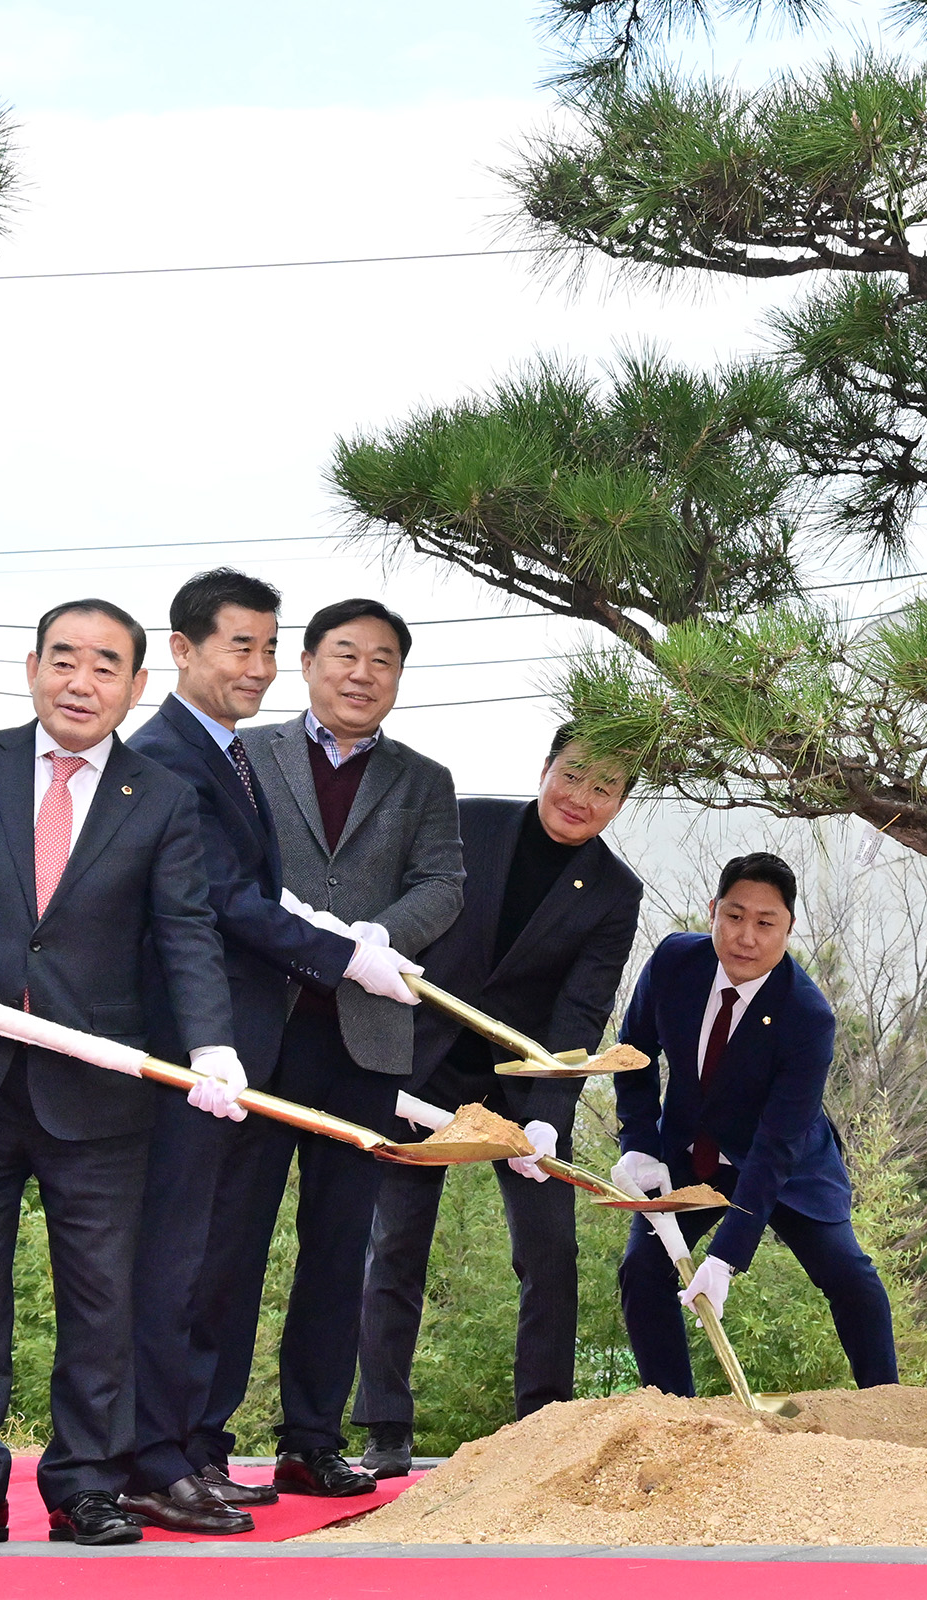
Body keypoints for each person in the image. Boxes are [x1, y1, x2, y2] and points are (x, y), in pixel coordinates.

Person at [0, 599, 246, 1551]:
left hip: (97, 1096)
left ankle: (87, 1484)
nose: (81, 682)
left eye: (105, 667)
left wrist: (212, 1043)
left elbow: (187, 932)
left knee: (101, 1303)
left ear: (135, 685)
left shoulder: (159, 796)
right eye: (64, 661)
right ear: (32, 666)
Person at [119, 570, 400, 1533]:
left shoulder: (224, 753)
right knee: (179, 1262)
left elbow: (250, 890)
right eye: (242, 646)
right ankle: (155, 1457)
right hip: (192, 1045)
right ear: (184, 649)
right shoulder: (167, 756)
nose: (262, 667)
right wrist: (341, 959)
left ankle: (187, 1448)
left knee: (216, 1255)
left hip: (244, 1046)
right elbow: (223, 903)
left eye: (271, 647)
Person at [195, 597, 463, 1496]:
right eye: (344, 655)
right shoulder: (247, 755)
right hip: (258, 1031)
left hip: (365, 1038)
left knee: (340, 1244)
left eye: (382, 661)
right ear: (306, 664)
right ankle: (199, 1433)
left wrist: (379, 940)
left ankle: (311, 1439)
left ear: (397, 678)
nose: (361, 674)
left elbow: (443, 886)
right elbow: (222, 880)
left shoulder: (424, 779)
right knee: (227, 1237)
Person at [355, 730, 644, 1473]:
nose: (581, 797)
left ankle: (541, 1425)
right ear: (543, 768)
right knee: (394, 1243)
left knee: (551, 1251)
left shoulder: (615, 892)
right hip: (421, 1060)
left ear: (620, 804)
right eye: (572, 774)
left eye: (604, 788)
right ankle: (384, 1427)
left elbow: (581, 1011)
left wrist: (550, 1114)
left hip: (528, 1079)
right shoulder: (466, 823)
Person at [612, 852, 898, 1395]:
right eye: (735, 916)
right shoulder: (675, 961)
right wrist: (640, 1141)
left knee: (849, 1275)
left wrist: (724, 1259)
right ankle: (674, 1413)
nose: (747, 936)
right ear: (713, 910)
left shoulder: (807, 1016)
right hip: (689, 1155)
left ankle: (886, 1404)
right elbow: (632, 1055)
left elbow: (775, 1148)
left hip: (784, 1167)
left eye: (766, 923)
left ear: (789, 928)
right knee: (642, 1270)